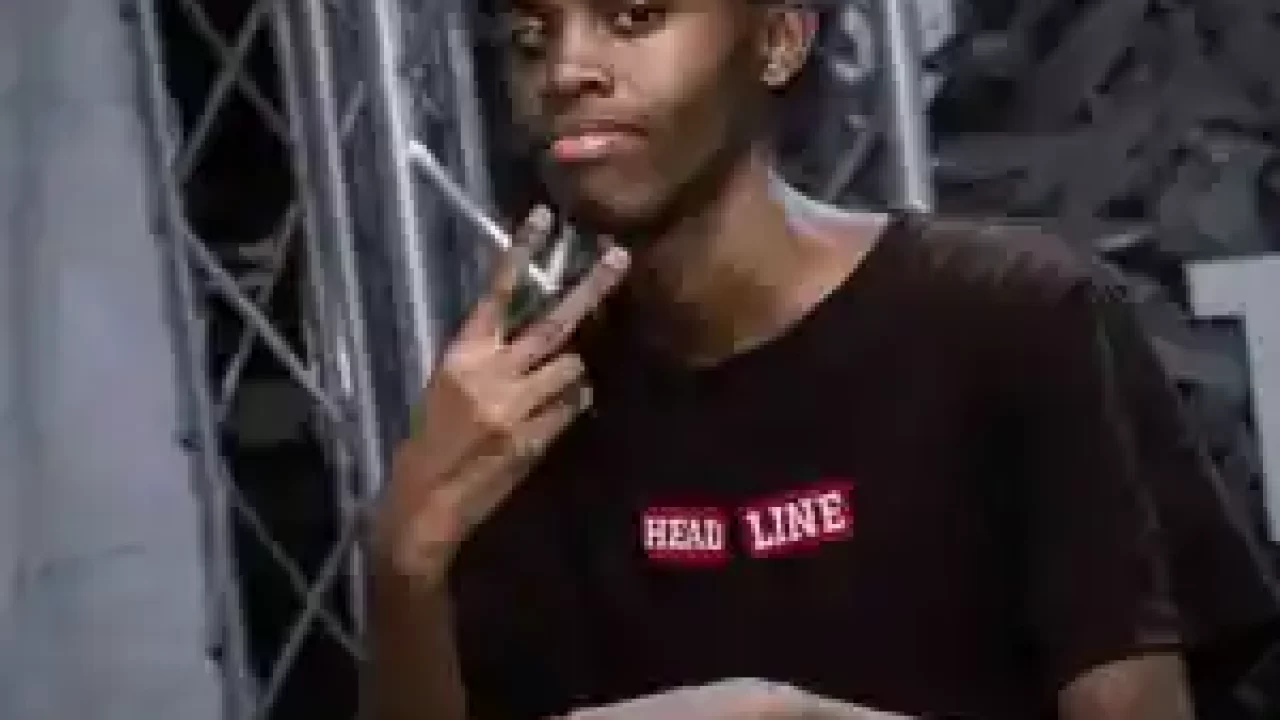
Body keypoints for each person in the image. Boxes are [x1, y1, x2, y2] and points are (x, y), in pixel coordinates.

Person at [369, 0, 1280, 718]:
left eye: (635, 16)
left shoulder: (1017, 320)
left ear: (777, 41)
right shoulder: (527, 406)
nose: (567, 71)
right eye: (530, 37)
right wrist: (407, 558)